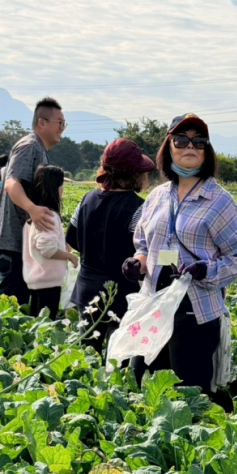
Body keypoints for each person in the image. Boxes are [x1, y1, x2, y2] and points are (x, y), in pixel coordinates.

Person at [123, 113, 237, 395]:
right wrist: (137, 263)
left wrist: (205, 270)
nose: (190, 146)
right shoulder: (157, 196)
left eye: (199, 142)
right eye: (181, 140)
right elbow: (143, 244)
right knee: (146, 382)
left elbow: (236, 261)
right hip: (153, 306)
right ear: (168, 148)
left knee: (189, 390)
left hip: (195, 312)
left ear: (207, 152)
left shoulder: (220, 202)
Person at [66, 139, 156, 355]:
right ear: (135, 174)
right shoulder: (139, 209)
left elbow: (73, 239)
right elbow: (143, 251)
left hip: (87, 290)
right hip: (123, 293)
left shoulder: (86, 201)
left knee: (88, 356)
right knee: (120, 359)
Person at [0, 97, 65, 305]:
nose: (62, 128)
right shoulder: (30, 145)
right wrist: (32, 209)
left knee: (24, 311)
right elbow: (11, 183)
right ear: (42, 122)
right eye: (59, 123)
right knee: (12, 313)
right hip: (13, 244)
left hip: (23, 246)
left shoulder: (40, 150)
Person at [22, 166, 79, 319]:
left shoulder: (36, 214)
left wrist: (63, 247)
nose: (63, 189)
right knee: (45, 325)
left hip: (36, 278)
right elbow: (47, 249)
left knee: (36, 323)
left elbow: (42, 244)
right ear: (55, 187)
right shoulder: (49, 215)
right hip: (48, 280)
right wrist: (70, 256)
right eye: (62, 184)